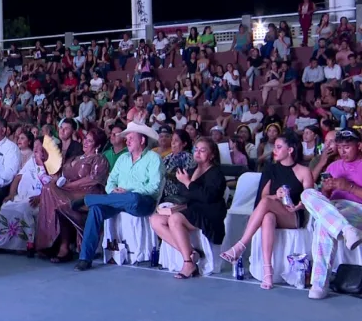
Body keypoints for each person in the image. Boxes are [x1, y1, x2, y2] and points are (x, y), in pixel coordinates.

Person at [221, 129, 315, 289]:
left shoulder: (303, 171)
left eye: (279, 147)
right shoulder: (270, 169)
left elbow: (310, 199)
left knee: (267, 206)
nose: (274, 151)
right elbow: (264, 197)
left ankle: (241, 245)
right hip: (275, 211)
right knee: (267, 217)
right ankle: (268, 273)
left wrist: (298, 205)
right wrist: (277, 196)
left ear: (290, 150)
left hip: (294, 215)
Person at [76, 122, 162, 271]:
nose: (126, 141)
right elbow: (110, 182)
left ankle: (88, 199)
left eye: (131, 138)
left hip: (143, 202)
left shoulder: (154, 158)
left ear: (142, 141)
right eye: (126, 138)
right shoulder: (122, 159)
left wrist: (127, 190)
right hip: (117, 200)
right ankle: (85, 258)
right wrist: (113, 191)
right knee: (96, 209)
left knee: (132, 198)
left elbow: (153, 187)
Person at [150, 138, 227, 279]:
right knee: (155, 219)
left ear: (212, 155)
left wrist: (188, 183)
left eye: (203, 150)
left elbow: (208, 197)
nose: (198, 152)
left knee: (175, 219)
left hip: (209, 212)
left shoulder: (216, 173)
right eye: (196, 149)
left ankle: (188, 262)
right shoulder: (190, 171)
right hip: (190, 209)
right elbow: (183, 193)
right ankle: (191, 252)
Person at [300, 128, 362, 299]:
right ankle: (346, 230)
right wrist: (326, 191)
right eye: (340, 147)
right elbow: (324, 199)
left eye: (347, 147)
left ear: (359, 146)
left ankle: (319, 284)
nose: (342, 151)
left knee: (322, 223)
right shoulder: (333, 166)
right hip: (334, 208)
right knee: (307, 194)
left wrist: (349, 187)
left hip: (357, 209)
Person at [36, 128, 111, 263]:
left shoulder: (99, 159)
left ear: (98, 145)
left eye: (90, 141)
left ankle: (61, 246)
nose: (85, 143)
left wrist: (69, 185)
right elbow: (60, 176)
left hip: (87, 193)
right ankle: (52, 243)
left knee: (59, 201)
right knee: (48, 188)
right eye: (85, 139)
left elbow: (93, 179)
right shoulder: (75, 158)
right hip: (68, 191)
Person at [0, 138, 48, 254]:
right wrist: (11, 194)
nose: (35, 150)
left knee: (23, 210)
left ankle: (23, 246)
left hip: (37, 199)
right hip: (21, 196)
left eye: (38, 148)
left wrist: (40, 197)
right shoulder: (31, 161)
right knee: (6, 207)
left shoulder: (50, 165)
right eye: (34, 148)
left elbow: (51, 186)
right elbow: (17, 177)